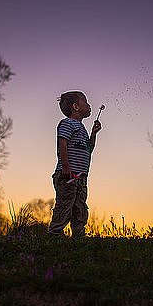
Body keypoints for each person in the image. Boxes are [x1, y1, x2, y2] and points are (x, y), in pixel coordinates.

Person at [48, 91, 102, 237]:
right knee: (65, 205)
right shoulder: (67, 123)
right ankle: (55, 233)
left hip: (80, 176)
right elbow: (62, 143)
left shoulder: (82, 129)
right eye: (86, 102)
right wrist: (65, 166)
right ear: (76, 107)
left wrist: (93, 134)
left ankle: (79, 235)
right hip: (68, 174)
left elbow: (88, 149)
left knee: (80, 207)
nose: (89, 105)